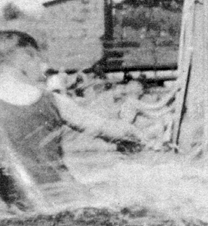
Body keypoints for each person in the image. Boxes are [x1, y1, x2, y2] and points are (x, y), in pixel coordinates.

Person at [0, 31, 143, 211]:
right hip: (70, 201)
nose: (43, 69)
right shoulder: (52, 100)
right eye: (38, 60)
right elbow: (111, 129)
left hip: (23, 208)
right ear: (26, 55)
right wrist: (138, 139)